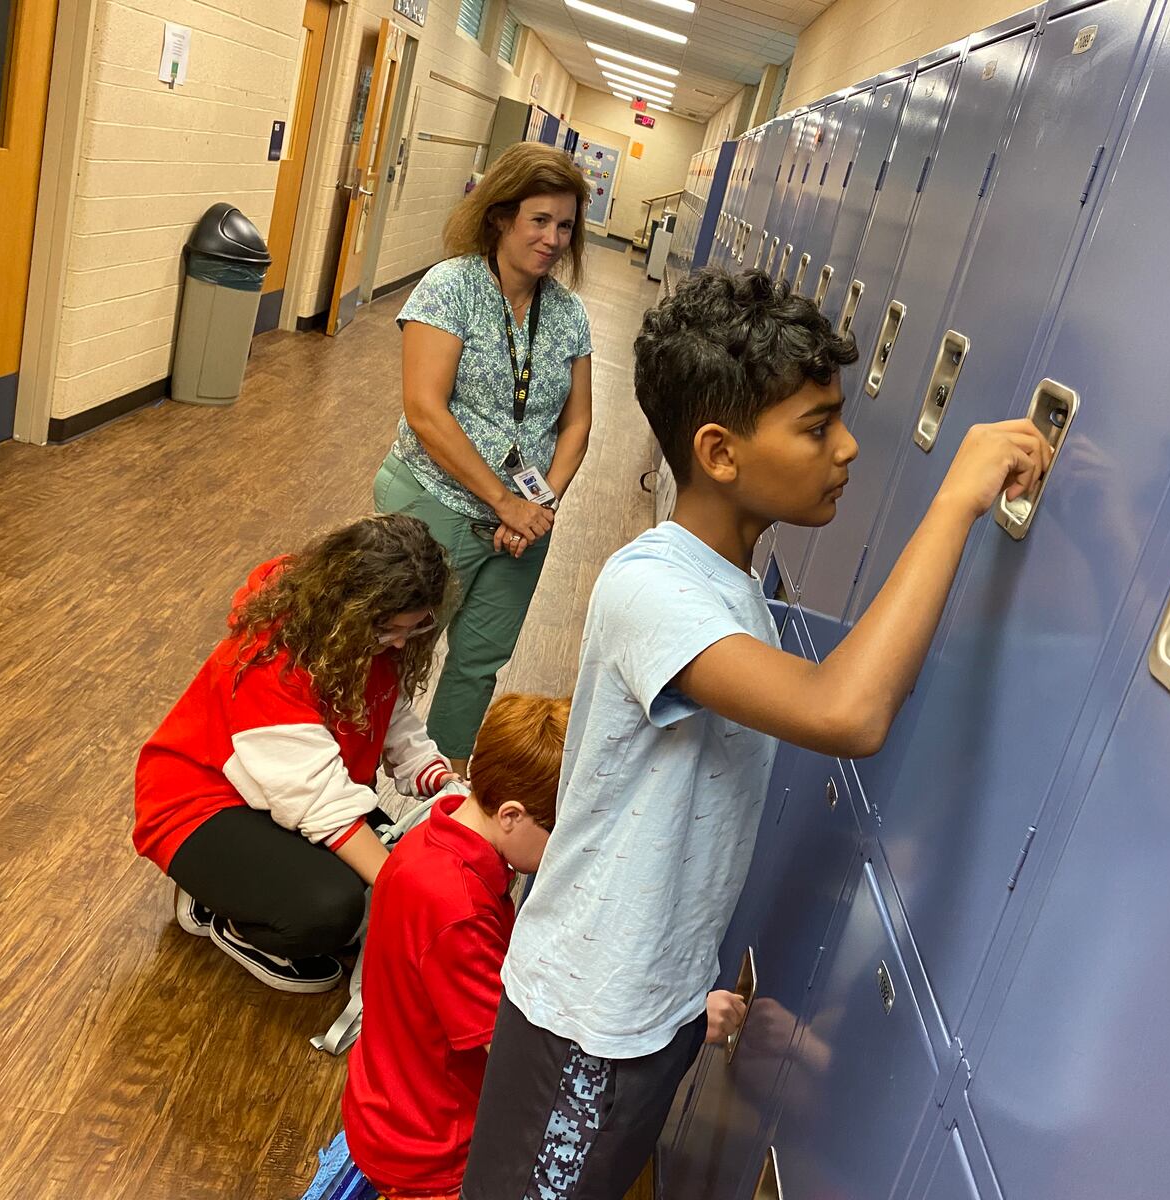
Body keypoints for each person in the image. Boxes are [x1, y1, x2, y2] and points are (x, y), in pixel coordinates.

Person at [460, 269, 1053, 1198]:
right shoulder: (651, 586)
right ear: (720, 452)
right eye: (817, 427)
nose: (848, 448)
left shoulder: (732, 585)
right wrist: (954, 503)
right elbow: (845, 712)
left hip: (648, 1011)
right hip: (586, 1020)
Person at [341, 693, 748, 1200]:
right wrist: (678, 1022)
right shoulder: (457, 909)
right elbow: (520, 1054)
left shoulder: (435, 835)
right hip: (432, 1148)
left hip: (387, 1100)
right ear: (511, 814)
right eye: (562, 832)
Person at [133, 513, 458, 994]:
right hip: (200, 803)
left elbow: (392, 714)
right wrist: (403, 892)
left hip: (280, 792)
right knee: (331, 910)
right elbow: (317, 799)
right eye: (391, 629)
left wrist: (441, 781)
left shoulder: (365, 639)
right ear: (352, 608)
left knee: (392, 874)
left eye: (413, 628)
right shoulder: (272, 661)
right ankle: (228, 913)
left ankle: (245, 888)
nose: (401, 642)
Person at [375, 142, 595, 775]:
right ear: (501, 216)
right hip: (433, 504)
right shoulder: (451, 288)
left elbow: (577, 422)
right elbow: (425, 409)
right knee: (392, 648)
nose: (553, 239)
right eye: (539, 220)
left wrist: (538, 504)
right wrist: (505, 501)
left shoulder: (568, 314)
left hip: (523, 526)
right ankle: (342, 788)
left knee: (478, 662)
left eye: (565, 227)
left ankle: (435, 803)